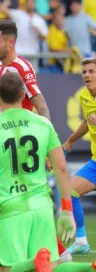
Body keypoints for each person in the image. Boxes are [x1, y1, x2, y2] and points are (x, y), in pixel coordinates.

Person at [0, 72, 96, 272]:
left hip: (10, 209)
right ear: (23, 95)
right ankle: (89, 267)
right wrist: (67, 210)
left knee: (7, 268)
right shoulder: (43, 124)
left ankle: (34, 263)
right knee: (51, 266)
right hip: (41, 207)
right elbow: (60, 168)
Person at [0, 19, 71, 272]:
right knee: (19, 198)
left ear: (10, 42)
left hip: (25, 144)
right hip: (7, 141)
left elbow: (41, 104)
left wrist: (48, 147)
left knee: (8, 198)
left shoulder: (21, 68)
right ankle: (60, 251)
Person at [63, 57, 96, 255]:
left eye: (92, 71)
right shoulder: (85, 95)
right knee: (69, 191)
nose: (87, 75)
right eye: (85, 72)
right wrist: (70, 141)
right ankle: (81, 241)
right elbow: (86, 122)